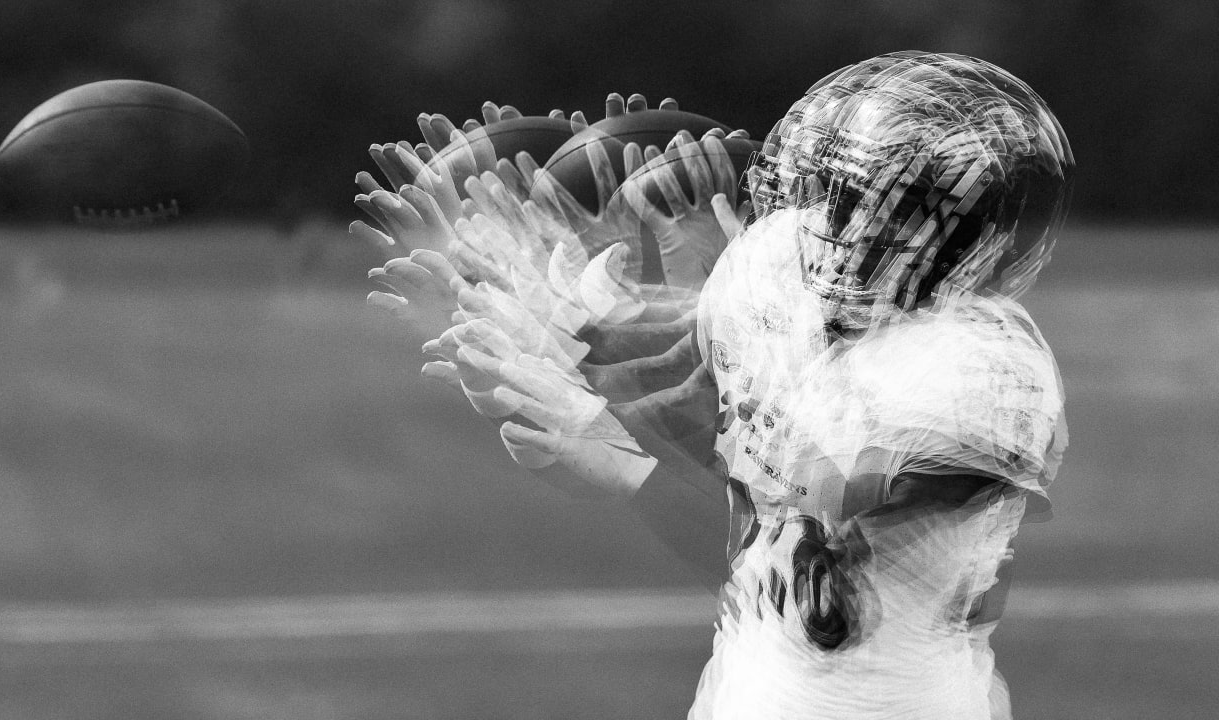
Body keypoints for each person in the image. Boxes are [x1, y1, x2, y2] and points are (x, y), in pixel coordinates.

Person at [423, 50, 1073, 719]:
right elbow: (725, 416)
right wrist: (572, 341)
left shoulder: (978, 373)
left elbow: (822, 598)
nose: (830, 225)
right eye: (829, 191)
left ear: (976, 241)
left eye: (873, 206)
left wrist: (619, 461)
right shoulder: (777, 263)